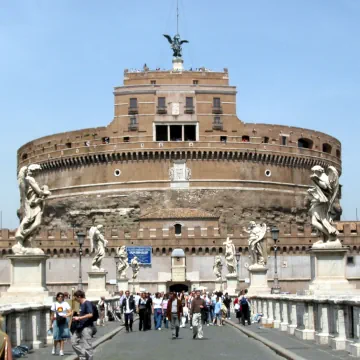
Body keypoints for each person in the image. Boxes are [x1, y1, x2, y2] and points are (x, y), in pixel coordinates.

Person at [71, 290, 95, 360]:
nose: (75, 300)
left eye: (76, 298)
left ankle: (88, 358)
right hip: (79, 326)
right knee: (73, 341)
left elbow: (90, 314)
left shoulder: (87, 303)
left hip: (87, 327)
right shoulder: (79, 304)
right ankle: (84, 355)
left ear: (79, 297)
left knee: (87, 345)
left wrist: (79, 317)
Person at [51, 292, 72, 356]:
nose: (60, 298)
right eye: (59, 296)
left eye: (62, 296)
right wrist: (50, 323)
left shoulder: (65, 303)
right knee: (56, 336)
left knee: (62, 336)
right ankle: (54, 347)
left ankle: (61, 350)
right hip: (56, 321)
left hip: (63, 320)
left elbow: (70, 312)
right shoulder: (54, 304)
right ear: (57, 297)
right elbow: (52, 315)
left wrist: (66, 315)